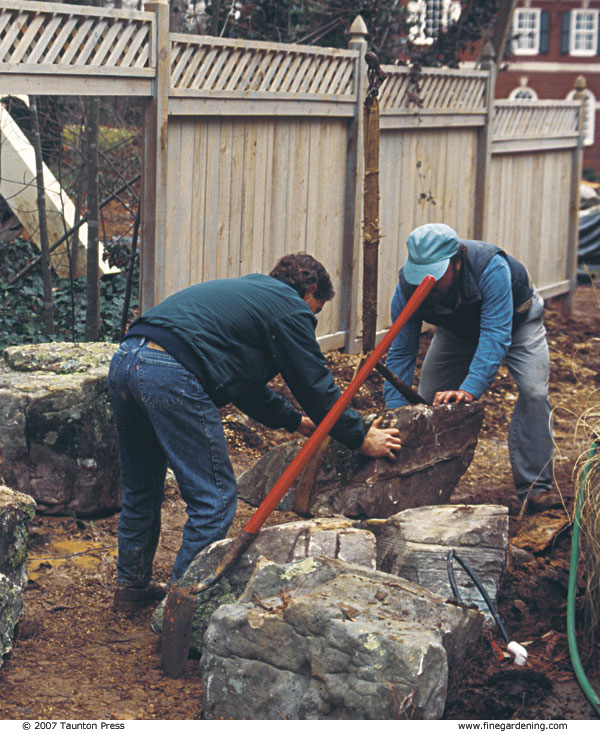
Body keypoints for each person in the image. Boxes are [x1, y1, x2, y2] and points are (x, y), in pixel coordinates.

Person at [109, 252, 403, 611]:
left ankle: (131, 587)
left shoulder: (249, 295)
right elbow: (313, 382)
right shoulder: (289, 307)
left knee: (142, 486)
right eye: (315, 311)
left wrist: (295, 421)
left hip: (127, 358)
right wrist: (359, 435)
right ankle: (180, 608)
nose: (310, 320)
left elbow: (243, 384)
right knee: (214, 499)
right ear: (310, 291)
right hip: (172, 371)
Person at [383, 223, 559, 513]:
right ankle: (423, 492)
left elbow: (496, 333)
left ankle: (536, 488)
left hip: (516, 323)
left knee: (535, 393)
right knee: (427, 401)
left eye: (437, 275)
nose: (427, 282)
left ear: (457, 261)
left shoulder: (491, 268)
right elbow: (401, 350)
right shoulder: (406, 288)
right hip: (457, 333)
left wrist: (469, 388)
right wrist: (394, 410)